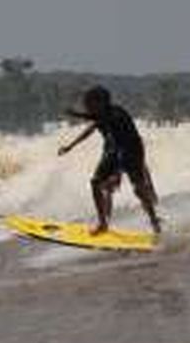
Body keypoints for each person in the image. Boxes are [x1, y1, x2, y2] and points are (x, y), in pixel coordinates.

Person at [58, 85, 161, 235]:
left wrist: (76, 114)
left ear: (101, 102)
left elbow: (99, 119)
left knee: (138, 189)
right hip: (114, 150)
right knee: (96, 182)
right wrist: (70, 146)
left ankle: (154, 221)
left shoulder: (117, 112)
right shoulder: (100, 116)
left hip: (132, 151)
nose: (86, 106)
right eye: (86, 103)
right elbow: (90, 129)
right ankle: (103, 223)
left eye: (89, 103)